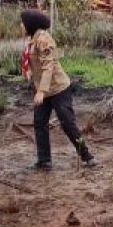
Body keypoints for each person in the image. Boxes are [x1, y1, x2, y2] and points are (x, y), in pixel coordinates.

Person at [21, 9, 94, 169]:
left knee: (68, 123)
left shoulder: (44, 39)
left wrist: (41, 91)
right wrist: (29, 74)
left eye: (23, 23)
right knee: (39, 123)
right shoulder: (32, 39)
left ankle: (87, 157)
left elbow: (48, 67)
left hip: (58, 89)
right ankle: (44, 161)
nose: (21, 26)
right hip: (43, 90)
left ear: (30, 24)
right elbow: (32, 62)